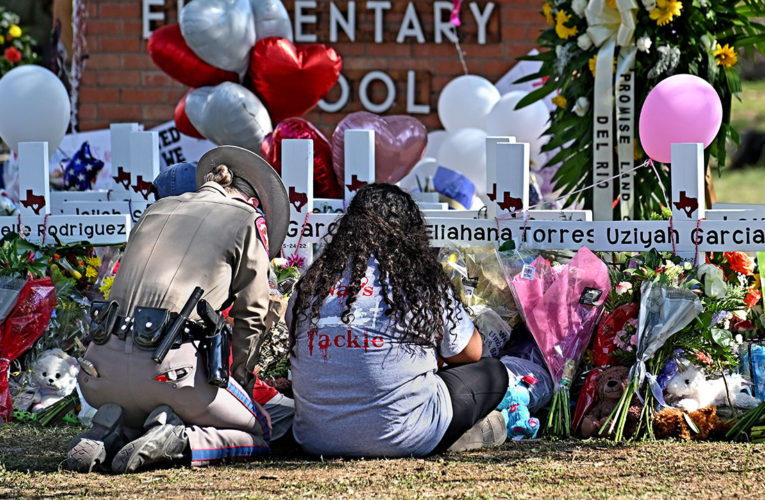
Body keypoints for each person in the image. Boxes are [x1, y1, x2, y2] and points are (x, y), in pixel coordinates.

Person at [67, 146, 293, 473]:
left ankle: (117, 431)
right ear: (254, 202)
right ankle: (181, 441)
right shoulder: (246, 219)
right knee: (263, 430)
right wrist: (242, 383)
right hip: (171, 373)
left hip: (99, 375)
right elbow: (253, 313)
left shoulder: (156, 210)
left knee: (147, 397)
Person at [287, 183, 510, 457]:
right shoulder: (419, 282)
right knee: (493, 373)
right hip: (406, 437)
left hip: (316, 439)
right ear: (410, 232)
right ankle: (455, 435)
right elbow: (471, 353)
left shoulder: (311, 285)